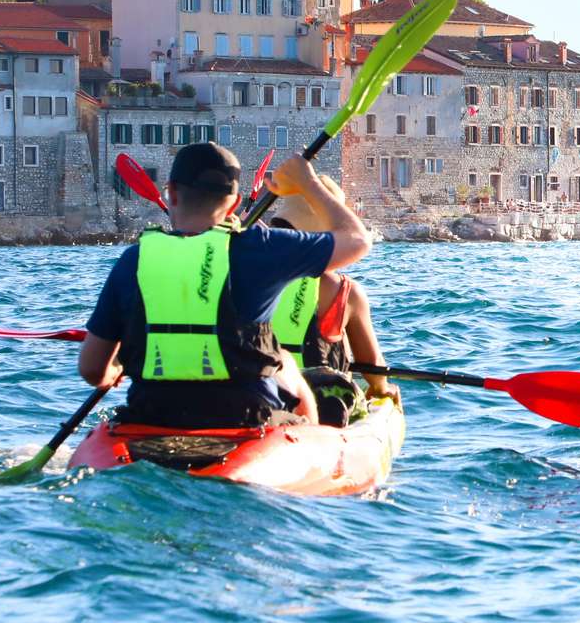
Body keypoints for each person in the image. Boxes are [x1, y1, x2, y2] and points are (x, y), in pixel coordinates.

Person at [77, 144, 372, 428]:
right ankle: (311, 438)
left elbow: (92, 370)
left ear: (172, 193)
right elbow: (357, 241)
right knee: (284, 361)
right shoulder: (262, 249)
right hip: (247, 417)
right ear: (234, 203)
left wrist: (114, 370)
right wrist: (308, 182)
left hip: (150, 415)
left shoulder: (134, 259)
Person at [268, 175, 401, 425]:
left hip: (260, 400)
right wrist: (384, 389)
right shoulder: (345, 292)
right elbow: (374, 371)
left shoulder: (243, 270)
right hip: (321, 408)